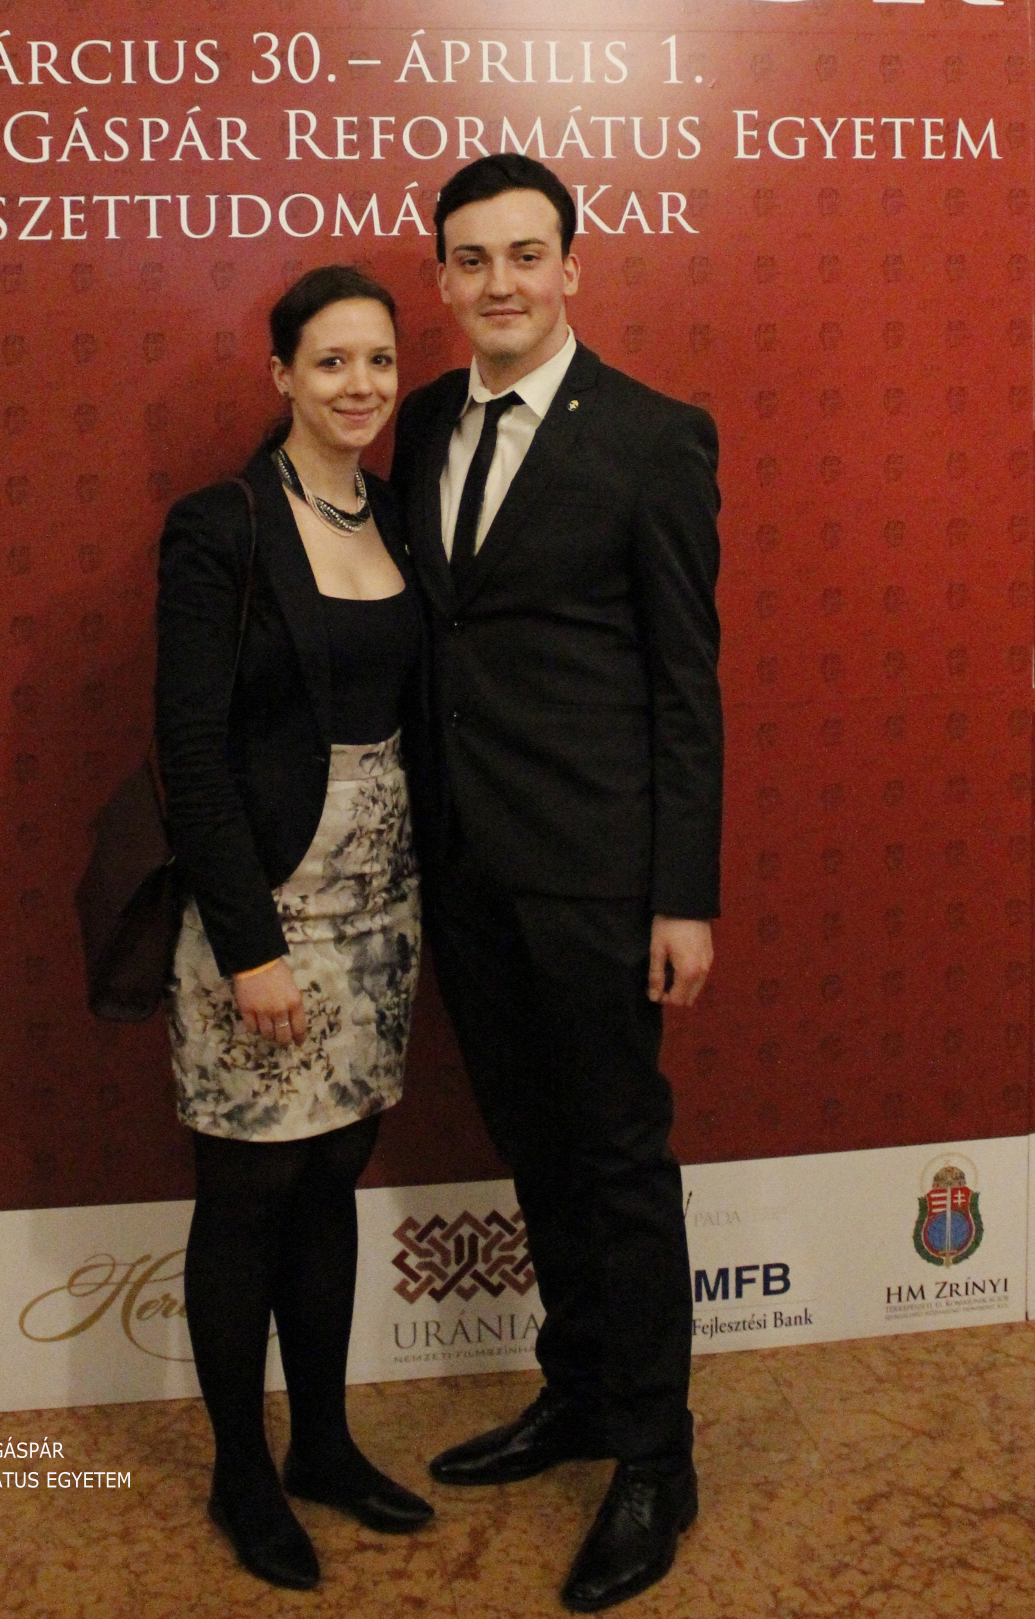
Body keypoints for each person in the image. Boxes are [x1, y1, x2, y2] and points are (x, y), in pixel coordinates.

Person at [391, 153, 723, 1615]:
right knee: (532, 1145)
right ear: (441, 281)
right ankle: (579, 1392)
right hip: (464, 868)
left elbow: (685, 685)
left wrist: (682, 895)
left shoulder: (654, 438)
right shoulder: (418, 425)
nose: (501, 283)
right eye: (472, 260)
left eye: (526, 255)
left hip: (596, 875)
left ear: (572, 268)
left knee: (615, 1161)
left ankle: (656, 1457)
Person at [156, 264, 433, 1592]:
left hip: (384, 913)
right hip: (263, 913)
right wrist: (251, 947)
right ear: (280, 375)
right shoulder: (222, 526)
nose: (359, 385)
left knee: (332, 1179)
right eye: (330, 361)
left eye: (377, 360)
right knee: (249, 1193)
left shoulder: (399, 515)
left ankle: (322, 1444)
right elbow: (191, 753)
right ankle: (241, 1472)